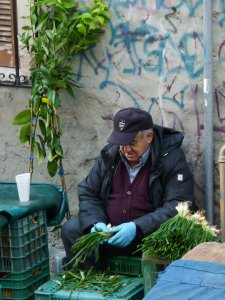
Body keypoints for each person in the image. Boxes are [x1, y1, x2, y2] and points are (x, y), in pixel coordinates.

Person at [61, 107, 194, 266]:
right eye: (121, 143)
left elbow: (178, 205)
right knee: (71, 229)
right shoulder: (111, 154)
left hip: (146, 237)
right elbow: (89, 192)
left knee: (172, 240)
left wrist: (137, 227)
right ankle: (93, 282)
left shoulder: (171, 158)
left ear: (149, 137)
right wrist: (95, 223)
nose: (126, 149)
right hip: (109, 233)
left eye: (132, 143)